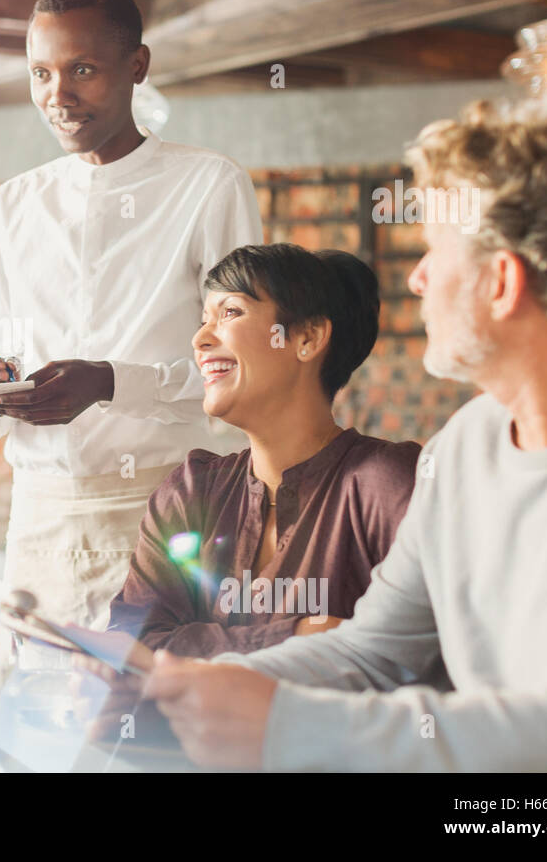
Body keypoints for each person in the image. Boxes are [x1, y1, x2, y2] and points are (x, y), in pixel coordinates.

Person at [144, 99, 547, 771]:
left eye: (434, 250)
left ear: (502, 282)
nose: (417, 277)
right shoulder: (466, 447)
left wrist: (299, 729)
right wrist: (223, 679)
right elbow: (371, 651)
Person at [0, 0, 261, 645]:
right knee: (38, 733)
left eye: (83, 70)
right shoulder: (10, 208)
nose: (57, 96)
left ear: (138, 66)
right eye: (41, 73)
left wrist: (110, 382)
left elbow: (243, 369)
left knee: (158, 729)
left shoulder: (209, 185)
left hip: (169, 518)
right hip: (37, 523)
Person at [108, 245, 420, 659]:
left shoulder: (388, 485)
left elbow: (419, 653)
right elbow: (129, 649)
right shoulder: (189, 492)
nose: (200, 339)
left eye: (231, 312)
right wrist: (300, 636)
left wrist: (192, 647)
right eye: (204, 321)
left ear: (307, 338)